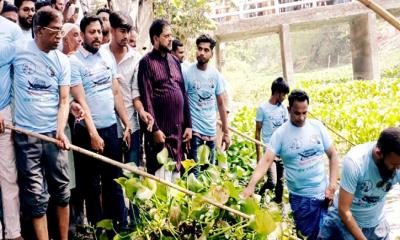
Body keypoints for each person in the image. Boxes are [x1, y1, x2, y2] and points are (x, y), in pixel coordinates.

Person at [0, 7, 71, 240]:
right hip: (25, 136)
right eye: (56, 31)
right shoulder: (17, 50)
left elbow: (63, 101)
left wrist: (60, 131)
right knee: (35, 196)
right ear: (39, 31)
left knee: (61, 192)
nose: (60, 36)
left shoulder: (62, 61)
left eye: (62, 30)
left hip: (53, 135)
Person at [242, 90, 339, 240]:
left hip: (325, 193)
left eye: (304, 113)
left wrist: (332, 186)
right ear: (289, 110)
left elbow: (333, 155)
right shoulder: (280, 134)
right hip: (302, 200)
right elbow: (266, 160)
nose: (301, 118)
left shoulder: (317, 127)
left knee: (334, 235)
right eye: (297, 113)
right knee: (311, 237)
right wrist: (251, 185)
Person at [69, 15, 131, 232]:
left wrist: (126, 122)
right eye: (91, 32)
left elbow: (115, 92)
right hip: (87, 132)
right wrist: (94, 134)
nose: (97, 36)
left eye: (99, 32)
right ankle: (99, 230)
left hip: (111, 127)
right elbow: (81, 101)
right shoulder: (73, 62)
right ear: (83, 34)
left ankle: (121, 226)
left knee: (114, 180)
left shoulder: (107, 56)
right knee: (92, 185)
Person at [318, 127, 400, 240]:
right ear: (378, 153)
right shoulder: (355, 163)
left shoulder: (397, 163)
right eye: (394, 164)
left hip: (375, 222)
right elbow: (344, 210)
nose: (398, 169)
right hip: (343, 220)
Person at [138, 19, 192, 175]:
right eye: (166, 36)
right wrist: (155, 130)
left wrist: (188, 124)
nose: (170, 39)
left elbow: (183, 93)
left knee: (177, 178)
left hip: (179, 132)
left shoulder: (174, 60)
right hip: (161, 134)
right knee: (162, 178)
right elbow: (146, 97)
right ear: (155, 39)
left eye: (171, 35)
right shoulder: (146, 63)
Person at [183, 34, 230, 175]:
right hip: (195, 132)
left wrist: (226, 133)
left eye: (206, 50)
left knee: (209, 173)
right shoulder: (188, 73)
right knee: (195, 174)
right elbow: (183, 103)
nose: (201, 53)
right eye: (199, 49)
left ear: (211, 54)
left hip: (211, 132)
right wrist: (187, 128)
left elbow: (221, 104)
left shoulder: (215, 75)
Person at [0, 0, 23, 238]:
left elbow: (22, 71)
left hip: (4, 114)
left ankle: (13, 232)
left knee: (8, 175)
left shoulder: (11, 31)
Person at [255, 77, 289, 203]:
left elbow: (287, 129)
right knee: (272, 181)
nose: (285, 97)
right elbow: (257, 132)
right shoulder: (262, 109)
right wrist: (259, 156)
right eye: (284, 94)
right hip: (269, 151)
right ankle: (258, 195)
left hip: (282, 151)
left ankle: (278, 204)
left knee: (281, 182)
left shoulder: (283, 109)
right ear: (277, 92)